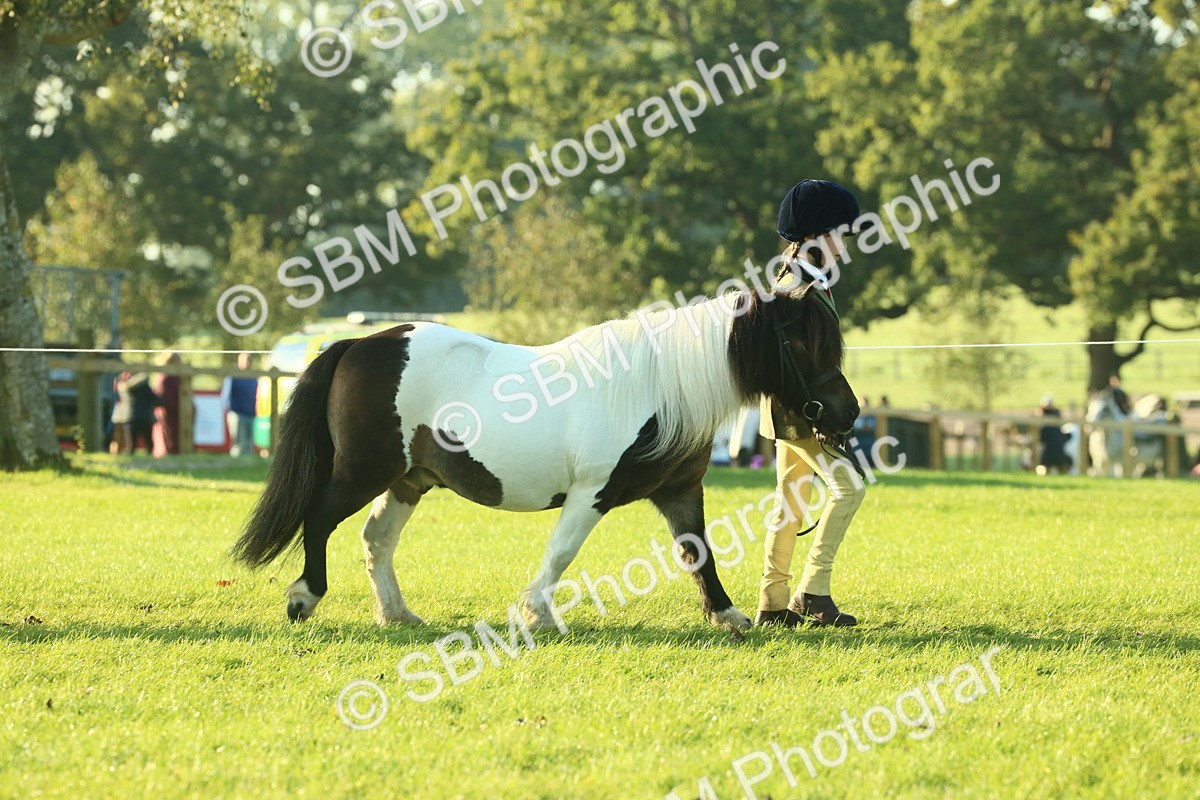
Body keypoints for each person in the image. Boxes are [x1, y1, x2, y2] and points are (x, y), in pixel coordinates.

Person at [755, 179, 866, 629]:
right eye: (840, 235)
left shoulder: (804, 276)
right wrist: (822, 413)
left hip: (792, 411)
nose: (844, 246)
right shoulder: (794, 282)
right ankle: (813, 592)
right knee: (850, 488)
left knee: (791, 500)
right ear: (819, 234)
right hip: (801, 412)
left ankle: (773, 601)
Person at [111, 371, 160, 454]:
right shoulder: (144, 387)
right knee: (149, 443)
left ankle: (130, 462)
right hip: (145, 417)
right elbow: (155, 400)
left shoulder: (124, 388)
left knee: (131, 445)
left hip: (129, 418)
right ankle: (150, 458)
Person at [222, 352, 259, 457]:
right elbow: (225, 395)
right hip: (236, 413)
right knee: (238, 442)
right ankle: (236, 461)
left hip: (250, 413)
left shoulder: (254, 377)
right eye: (245, 360)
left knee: (249, 441)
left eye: (249, 360)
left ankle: (247, 462)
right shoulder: (233, 376)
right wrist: (229, 411)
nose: (248, 363)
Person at [154, 352, 182, 455]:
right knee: (169, 435)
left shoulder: (170, 376)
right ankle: (169, 452)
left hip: (171, 411)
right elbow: (165, 397)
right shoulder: (167, 377)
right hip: (169, 412)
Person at [1036, 394, 1071, 475]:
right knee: (1044, 466)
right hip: (1047, 445)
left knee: (1061, 466)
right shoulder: (1041, 414)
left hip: (1055, 444)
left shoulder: (1055, 413)